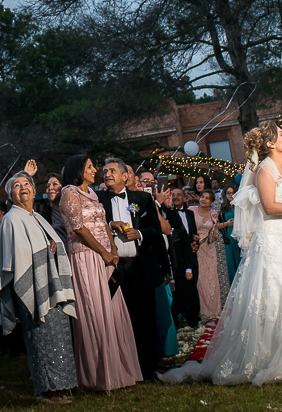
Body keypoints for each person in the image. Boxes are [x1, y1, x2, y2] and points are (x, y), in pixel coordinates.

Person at [163, 121, 282, 384]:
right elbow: (270, 207)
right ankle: (269, 355)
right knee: (272, 292)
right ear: (271, 143)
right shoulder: (264, 168)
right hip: (271, 238)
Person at [58, 153, 141, 391]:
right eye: (90, 166)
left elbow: (104, 222)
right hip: (85, 258)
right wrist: (102, 252)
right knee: (94, 313)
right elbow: (79, 229)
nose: (96, 170)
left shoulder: (93, 194)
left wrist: (112, 249)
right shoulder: (69, 193)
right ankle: (98, 375)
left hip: (105, 258)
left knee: (112, 311)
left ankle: (120, 370)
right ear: (77, 170)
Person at [0, 171, 78, 404]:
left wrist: (51, 246)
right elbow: (18, 257)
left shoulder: (37, 217)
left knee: (56, 338)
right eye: (16, 186)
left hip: (49, 285)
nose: (23, 188)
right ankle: (46, 390)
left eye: (27, 184)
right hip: (32, 287)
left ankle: (59, 387)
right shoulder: (12, 219)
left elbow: (45, 244)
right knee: (42, 339)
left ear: (34, 190)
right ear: (10, 195)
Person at [95, 157, 168, 380]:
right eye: (105, 171)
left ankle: (147, 367)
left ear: (125, 176)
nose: (107, 174)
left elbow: (157, 229)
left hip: (139, 266)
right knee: (115, 319)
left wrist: (141, 234)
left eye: (112, 171)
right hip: (111, 268)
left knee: (145, 317)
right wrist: (109, 226)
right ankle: (123, 367)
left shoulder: (143, 199)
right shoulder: (97, 200)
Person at [190, 189, 230, 318]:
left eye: (207, 198)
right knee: (199, 280)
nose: (203, 199)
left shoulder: (213, 214)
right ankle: (201, 311)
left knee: (211, 279)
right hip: (194, 249)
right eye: (202, 196)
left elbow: (215, 231)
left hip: (209, 249)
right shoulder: (191, 210)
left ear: (212, 202)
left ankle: (213, 310)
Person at [165, 188, 201, 329]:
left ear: (184, 198)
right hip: (176, 257)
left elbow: (193, 234)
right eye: (173, 195)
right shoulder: (167, 213)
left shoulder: (190, 214)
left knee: (191, 288)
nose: (176, 197)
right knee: (179, 290)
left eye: (179, 195)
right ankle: (178, 318)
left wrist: (195, 243)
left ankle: (193, 317)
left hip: (191, 256)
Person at [221, 187, 240, 283]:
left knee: (240, 259)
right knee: (231, 261)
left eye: (233, 192)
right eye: (228, 193)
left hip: (240, 235)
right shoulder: (223, 208)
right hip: (229, 235)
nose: (230, 195)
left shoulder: (240, 206)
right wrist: (226, 224)